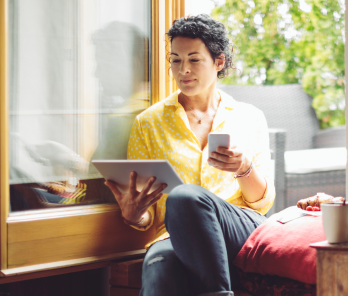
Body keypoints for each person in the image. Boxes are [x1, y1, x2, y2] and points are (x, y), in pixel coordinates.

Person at [103, 14, 275, 296]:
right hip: (175, 235)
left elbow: (262, 203)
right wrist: (135, 216)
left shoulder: (249, 117)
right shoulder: (149, 123)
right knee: (160, 264)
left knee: (185, 196)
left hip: (240, 229)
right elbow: (148, 215)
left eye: (194, 60)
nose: (183, 70)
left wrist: (244, 168)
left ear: (218, 62)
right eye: (175, 60)